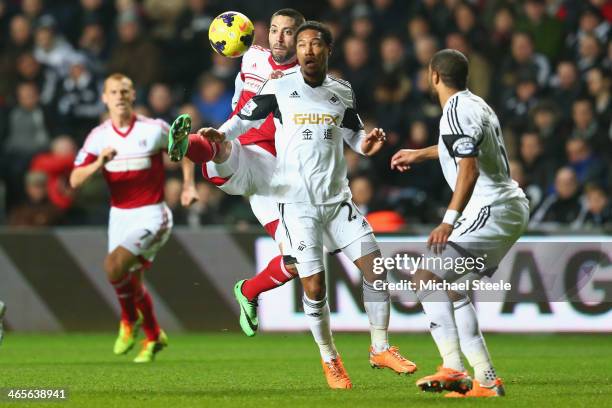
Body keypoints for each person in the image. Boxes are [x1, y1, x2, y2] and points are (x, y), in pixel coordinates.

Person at [193, 20, 417, 389]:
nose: (308, 50)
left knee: (376, 269)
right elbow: (243, 119)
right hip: (298, 204)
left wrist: (368, 143)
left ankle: (380, 347)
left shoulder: (341, 90)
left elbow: (355, 136)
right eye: (302, 45)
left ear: (328, 50)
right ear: (296, 54)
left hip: (336, 200)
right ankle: (330, 359)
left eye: (315, 44)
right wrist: (220, 134)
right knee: (314, 287)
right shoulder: (279, 86)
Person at [391, 49, 529, 397]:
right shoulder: (476, 104)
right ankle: (486, 380)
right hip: (508, 206)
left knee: (425, 277)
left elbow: (469, 168)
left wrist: (448, 221)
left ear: (433, 75)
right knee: (451, 290)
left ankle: (453, 366)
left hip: (490, 207)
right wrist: (419, 154)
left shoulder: (453, 111)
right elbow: (461, 148)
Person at [169, 9, 306, 338]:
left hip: (282, 177)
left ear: (301, 40)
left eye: (287, 32)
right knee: (223, 150)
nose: (277, 37)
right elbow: (240, 104)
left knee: (297, 261)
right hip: (248, 153)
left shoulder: (309, 79)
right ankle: (189, 143)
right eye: (274, 30)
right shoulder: (252, 58)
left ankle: (248, 291)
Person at [69, 73, 196, 363]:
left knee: (113, 266)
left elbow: (185, 149)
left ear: (133, 95)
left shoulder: (153, 129)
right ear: (104, 98)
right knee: (133, 281)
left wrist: (188, 185)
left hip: (152, 214)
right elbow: (75, 180)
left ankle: (128, 321)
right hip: (120, 216)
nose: (119, 97)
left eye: (124, 91)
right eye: (113, 92)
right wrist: (99, 163)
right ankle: (154, 336)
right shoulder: (99, 136)